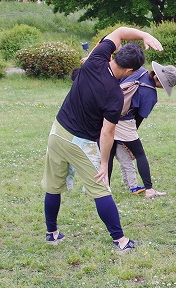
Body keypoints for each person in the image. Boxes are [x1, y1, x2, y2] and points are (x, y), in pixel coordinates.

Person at [42, 27, 162, 251]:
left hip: (57, 131)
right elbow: (107, 133)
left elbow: (119, 32)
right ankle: (121, 240)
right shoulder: (114, 95)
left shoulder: (95, 58)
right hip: (80, 143)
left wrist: (145, 35)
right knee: (101, 189)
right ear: (129, 70)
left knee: (53, 186)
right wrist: (104, 163)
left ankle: (52, 233)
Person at [110, 61, 176, 198]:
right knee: (140, 154)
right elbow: (138, 119)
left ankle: (103, 189)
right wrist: (130, 137)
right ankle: (149, 190)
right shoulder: (151, 94)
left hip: (106, 115)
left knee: (109, 155)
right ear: (159, 79)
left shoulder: (138, 70)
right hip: (124, 121)